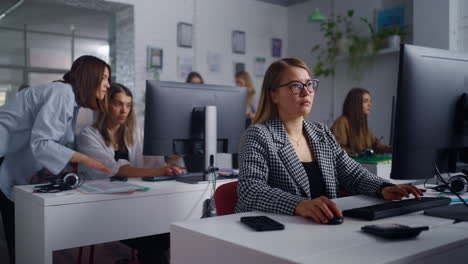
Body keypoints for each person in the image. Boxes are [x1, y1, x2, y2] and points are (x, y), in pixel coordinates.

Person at [235, 58, 425, 224]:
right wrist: (299, 205)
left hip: (322, 229)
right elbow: (251, 190)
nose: (306, 92)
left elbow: (353, 174)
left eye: (309, 84)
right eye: (296, 85)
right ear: (273, 95)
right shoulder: (258, 135)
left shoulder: (321, 133)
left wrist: (384, 188)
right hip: (275, 235)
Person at [0, 55, 113, 264]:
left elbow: (47, 144)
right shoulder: (61, 93)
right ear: (90, 77)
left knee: (19, 232)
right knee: (18, 233)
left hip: (9, 157)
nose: (108, 84)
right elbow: (42, 143)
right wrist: (87, 159)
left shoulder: (70, 100)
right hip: (2, 155)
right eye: (104, 77)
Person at [77, 83, 183, 263]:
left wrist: (182, 150)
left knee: (171, 233)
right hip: (101, 211)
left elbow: (153, 161)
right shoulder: (88, 135)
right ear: (106, 105)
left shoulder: (135, 134)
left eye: (128, 105)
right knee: (153, 242)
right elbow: (114, 169)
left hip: (134, 207)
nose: (123, 110)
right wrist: (160, 169)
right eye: (118, 104)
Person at [331, 87, 392, 156]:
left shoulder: (362, 123)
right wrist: (359, 153)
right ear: (355, 104)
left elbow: (376, 145)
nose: (370, 104)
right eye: (365, 101)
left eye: (370, 101)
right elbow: (337, 148)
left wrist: (394, 149)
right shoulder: (342, 122)